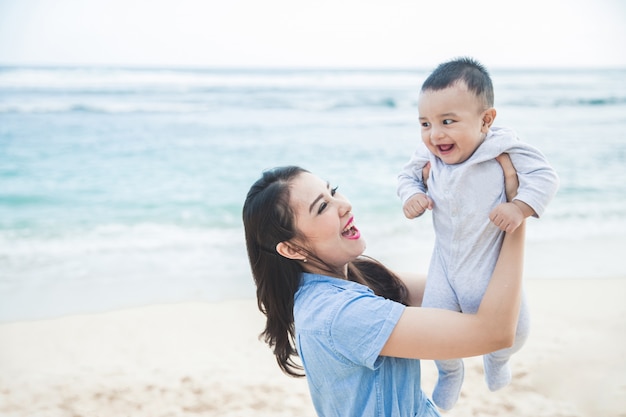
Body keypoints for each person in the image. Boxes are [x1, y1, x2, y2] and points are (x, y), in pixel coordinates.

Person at [243, 155, 524, 417]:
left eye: (333, 191)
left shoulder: (353, 278)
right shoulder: (340, 313)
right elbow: (494, 332)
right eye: (323, 207)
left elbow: (465, 291)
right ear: (292, 249)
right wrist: (519, 213)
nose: (344, 205)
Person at [397, 57, 559, 410]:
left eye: (448, 122)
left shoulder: (503, 147)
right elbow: (406, 177)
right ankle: (450, 374)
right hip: (444, 264)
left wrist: (519, 207)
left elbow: (546, 177)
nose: (434, 134)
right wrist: (412, 196)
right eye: (425, 123)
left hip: (488, 264)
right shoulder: (429, 155)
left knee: (515, 330)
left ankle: (498, 362)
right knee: (436, 328)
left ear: (486, 120)